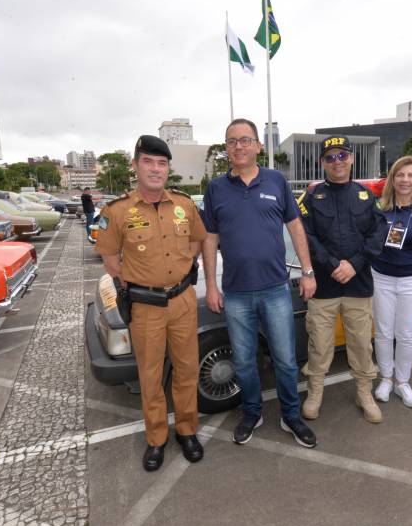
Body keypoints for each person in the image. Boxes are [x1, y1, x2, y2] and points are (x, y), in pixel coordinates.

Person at [202, 118, 318, 448]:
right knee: (243, 361)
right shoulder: (216, 189)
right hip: (236, 293)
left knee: (283, 359)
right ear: (227, 149)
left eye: (245, 140)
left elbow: (296, 229)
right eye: (231, 141)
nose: (238, 146)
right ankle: (252, 412)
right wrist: (211, 284)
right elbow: (209, 239)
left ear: (258, 145)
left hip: (275, 289)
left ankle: (291, 415)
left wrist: (307, 271)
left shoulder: (277, 181)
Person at [95, 135, 206, 471]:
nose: (156, 169)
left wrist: (180, 271)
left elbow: (199, 241)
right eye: (148, 162)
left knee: (187, 370)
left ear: (168, 168)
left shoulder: (185, 205)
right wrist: (141, 281)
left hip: (184, 300)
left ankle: (187, 431)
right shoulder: (116, 211)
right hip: (145, 307)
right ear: (136, 166)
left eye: (161, 163)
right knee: (150, 375)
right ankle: (156, 439)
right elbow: (110, 258)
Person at [299, 135, 388, 423]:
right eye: (330, 157)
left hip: (358, 285)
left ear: (351, 158)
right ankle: (315, 393)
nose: (336, 162)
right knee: (320, 345)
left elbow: (378, 234)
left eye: (341, 156)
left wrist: (355, 264)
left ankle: (364, 392)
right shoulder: (312, 197)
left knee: (362, 345)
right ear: (322, 163)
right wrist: (333, 265)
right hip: (324, 286)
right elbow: (306, 237)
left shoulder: (366, 195)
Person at [370, 156, 412, 409]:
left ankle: (402, 382)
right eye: (400, 175)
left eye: (411, 175)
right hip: (382, 278)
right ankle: (386, 378)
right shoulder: (379, 207)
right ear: (392, 179)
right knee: (384, 332)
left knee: (407, 334)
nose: (405, 180)